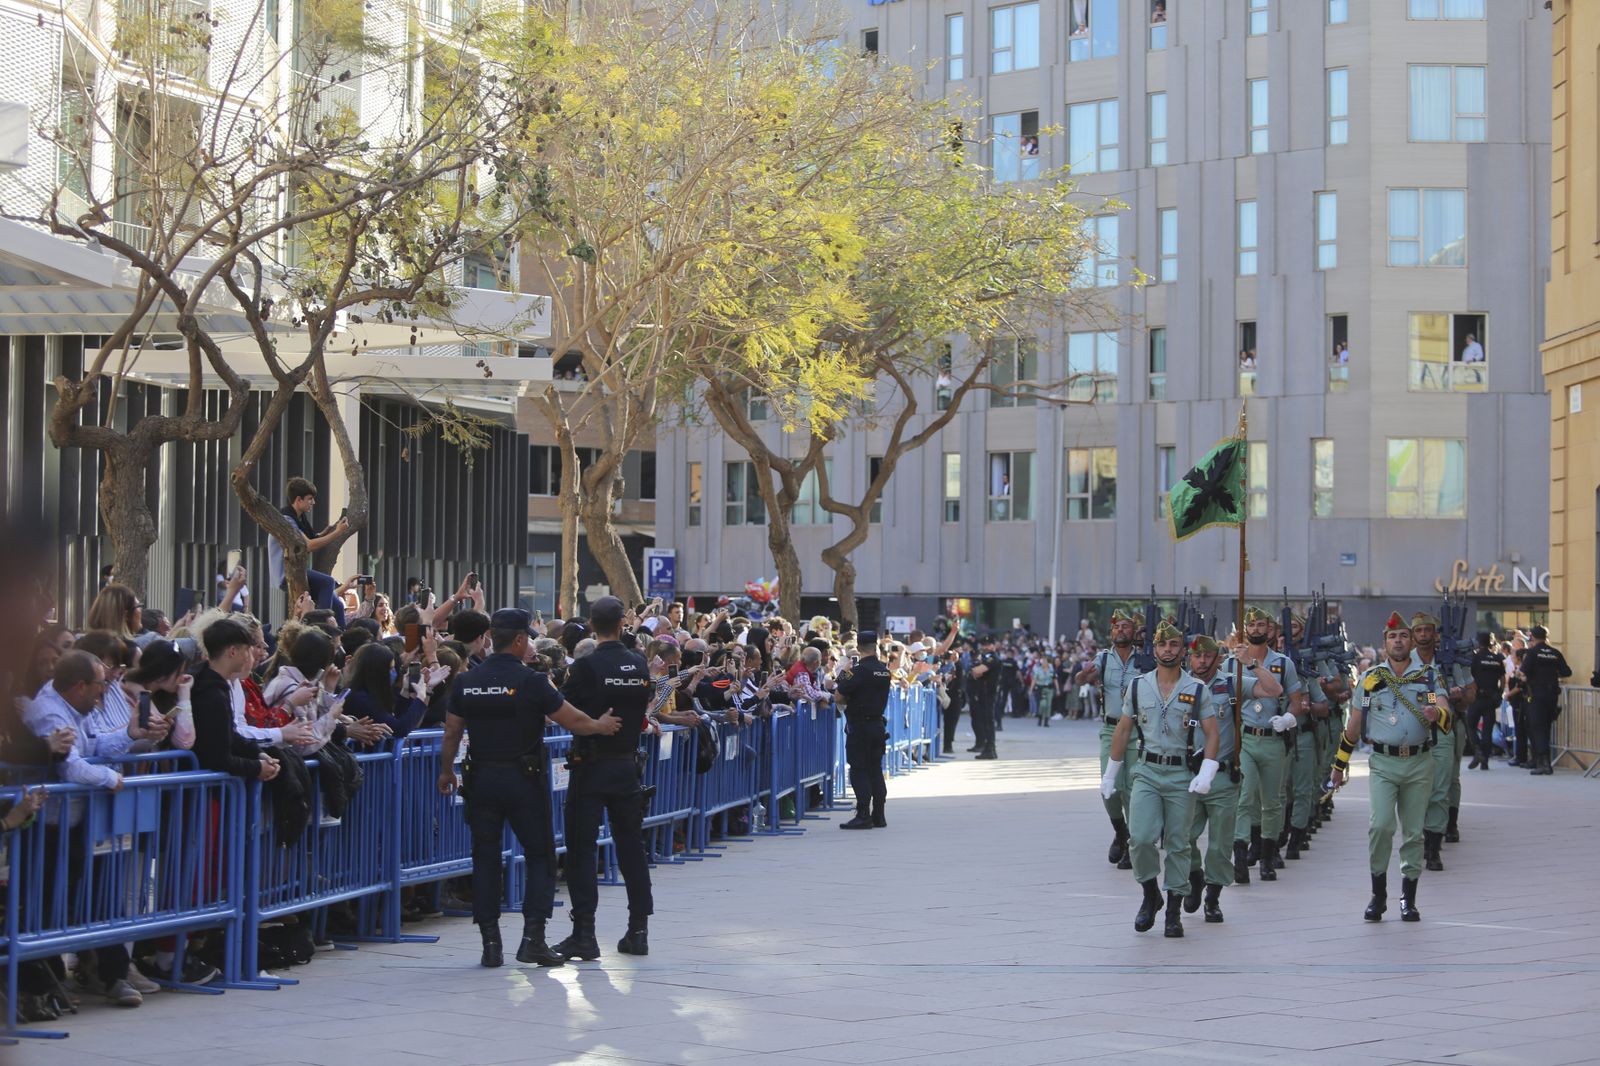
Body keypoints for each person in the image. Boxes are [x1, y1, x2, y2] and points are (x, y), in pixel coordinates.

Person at [435, 608, 620, 968]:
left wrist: (446, 772)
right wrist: (600, 726)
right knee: (539, 856)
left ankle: (491, 943)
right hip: (523, 779)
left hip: (481, 778)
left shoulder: (466, 681)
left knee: (485, 858)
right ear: (519, 639)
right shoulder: (533, 681)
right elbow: (572, 720)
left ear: (492, 638)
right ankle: (533, 938)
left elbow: (452, 732)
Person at [1102, 622, 1219, 938]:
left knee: (1179, 843)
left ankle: (1173, 909)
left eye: (1174, 645)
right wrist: (1111, 772)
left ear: (1183, 651)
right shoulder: (1139, 686)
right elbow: (1123, 730)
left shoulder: (1196, 689)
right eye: (1162, 645)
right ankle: (1149, 893)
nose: (1168, 650)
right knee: (1140, 838)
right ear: (1153, 650)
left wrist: (1208, 771)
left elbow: (1211, 732)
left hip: (1182, 774)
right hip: (1147, 772)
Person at [556, 596, 655, 960]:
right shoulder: (639, 664)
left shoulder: (585, 666)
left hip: (592, 764)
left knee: (582, 850)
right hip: (627, 764)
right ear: (621, 625)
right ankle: (639, 930)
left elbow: (559, 707)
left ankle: (584, 933)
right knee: (632, 848)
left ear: (591, 625)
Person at [1330, 613, 1440, 923]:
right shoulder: (1371, 679)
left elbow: (1440, 711)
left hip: (1419, 762)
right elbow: (1353, 725)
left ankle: (1409, 897)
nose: (1399, 641)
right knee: (1380, 827)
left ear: (1411, 641)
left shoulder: (1427, 677)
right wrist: (1339, 765)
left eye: (1403, 636)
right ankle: (1378, 895)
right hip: (1383, 763)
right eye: (1393, 637)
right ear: (1385, 643)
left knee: (1414, 833)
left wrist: (1435, 714)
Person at [1184, 633, 1281, 924]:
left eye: (1207, 656)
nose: (1202, 661)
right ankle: (1195, 875)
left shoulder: (1231, 682)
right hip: (1188, 774)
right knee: (1183, 837)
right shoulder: (1180, 684)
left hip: (1223, 776)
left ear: (1217, 657)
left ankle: (1213, 897)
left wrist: (1250, 663)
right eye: (1197, 655)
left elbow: (1273, 689)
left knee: (1220, 844)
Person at [1229, 606, 1301, 883]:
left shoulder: (1283, 664)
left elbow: (1296, 702)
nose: (1257, 630)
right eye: (1252, 625)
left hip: (1273, 740)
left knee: (1272, 802)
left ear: (1270, 630)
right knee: (1245, 797)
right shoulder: (1231, 662)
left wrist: (1288, 718)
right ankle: (1240, 854)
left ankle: (1268, 856)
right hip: (1245, 739)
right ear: (1245, 630)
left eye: (1261, 625)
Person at [1076, 610, 1150, 869]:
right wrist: (1084, 674)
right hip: (1111, 729)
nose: (1120, 630)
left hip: (1138, 732)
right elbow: (1082, 677)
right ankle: (1120, 830)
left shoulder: (1144, 659)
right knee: (1109, 787)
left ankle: (1131, 841)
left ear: (1135, 632)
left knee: (1132, 787)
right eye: (1116, 627)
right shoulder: (1104, 659)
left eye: (1126, 627)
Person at [1409, 612, 1473, 868]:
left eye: (1428, 630)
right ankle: (1420, 834)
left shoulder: (1450, 662)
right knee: (1416, 788)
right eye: (1419, 631)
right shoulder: (1404, 662)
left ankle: (1438, 839)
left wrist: (1453, 696)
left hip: (1447, 728)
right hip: (1413, 731)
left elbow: (1470, 695)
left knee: (1446, 782)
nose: (1424, 635)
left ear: (1436, 634)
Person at [265, 476, 349, 626]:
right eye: (310, 499)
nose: (313, 503)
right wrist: (337, 533)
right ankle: (320, 627)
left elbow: (311, 538)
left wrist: (330, 531)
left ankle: (339, 641)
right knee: (328, 582)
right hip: (285, 575)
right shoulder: (287, 520)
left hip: (299, 572)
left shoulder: (300, 517)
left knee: (338, 605)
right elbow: (309, 545)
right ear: (298, 500)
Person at [835, 630, 893, 830]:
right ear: (875, 646)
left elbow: (839, 696)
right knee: (875, 769)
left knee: (859, 769)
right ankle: (879, 814)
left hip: (859, 726)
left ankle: (862, 814)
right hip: (877, 724)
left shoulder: (857, 670)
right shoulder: (884, 670)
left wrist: (844, 672)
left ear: (858, 648)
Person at [1521, 626, 1571, 775]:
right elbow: (1566, 671)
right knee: (1546, 727)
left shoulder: (1532, 652)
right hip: (1552, 695)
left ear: (1533, 637)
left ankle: (1544, 763)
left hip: (1537, 695)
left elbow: (1523, 672)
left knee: (1537, 727)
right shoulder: (1555, 653)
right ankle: (1544, 762)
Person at [1466, 632, 1506, 770]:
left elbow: (1469, 676)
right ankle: (1485, 761)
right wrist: (1499, 693)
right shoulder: (1497, 658)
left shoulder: (1475, 658)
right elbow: (1502, 678)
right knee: (1487, 730)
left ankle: (1477, 751)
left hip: (1477, 697)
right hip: (1491, 698)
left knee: (1470, 725)